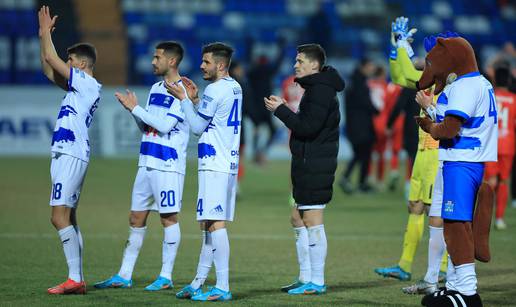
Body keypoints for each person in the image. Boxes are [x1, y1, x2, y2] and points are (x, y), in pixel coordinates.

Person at [93, 42, 189, 291]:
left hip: (167, 165)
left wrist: (137, 108)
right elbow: (148, 127)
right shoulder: (156, 87)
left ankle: (165, 277)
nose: (152, 61)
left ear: (172, 61)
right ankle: (124, 275)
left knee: (168, 218)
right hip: (146, 161)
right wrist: (135, 112)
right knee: (136, 217)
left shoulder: (183, 91)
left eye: (157, 57)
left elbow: (166, 126)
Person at [416, 36, 497, 307]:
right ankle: (454, 286)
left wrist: (428, 126)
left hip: (462, 162)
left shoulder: (464, 86)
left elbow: (450, 129)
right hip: (471, 162)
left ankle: (466, 293)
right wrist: (432, 110)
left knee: (456, 227)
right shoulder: (481, 82)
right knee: (458, 223)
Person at [375, 17, 449, 295]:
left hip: (437, 154)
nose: (426, 60)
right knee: (416, 207)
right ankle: (404, 264)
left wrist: (402, 48)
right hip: (422, 155)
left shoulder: (446, 85)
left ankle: (441, 267)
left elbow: (407, 74)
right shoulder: (432, 82)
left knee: (435, 213)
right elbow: (401, 75)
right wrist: (398, 46)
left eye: (430, 56)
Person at [264, 44, 345, 295]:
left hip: (316, 164)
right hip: (307, 162)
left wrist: (281, 110)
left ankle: (317, 281)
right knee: (298, 217)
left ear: (314, 65)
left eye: (300, 61)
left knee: (312, 219)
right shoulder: (315, 89)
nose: (295, 65)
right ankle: (305, 277)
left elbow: (308, 127)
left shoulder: (321, 90)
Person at [166, 42, 242, 302]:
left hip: (215, 164)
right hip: (226, 161)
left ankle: (222, 286)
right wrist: (197, 99)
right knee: (208, 222)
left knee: (215, 224)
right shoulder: (234, 86)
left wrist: (185, 100)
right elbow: (214, 118)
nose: (201, 66)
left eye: (206, 62)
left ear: (220, 65)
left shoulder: (216, 88)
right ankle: (198, 282)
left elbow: (198, 126)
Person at [38, 6, 101, 294]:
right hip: (67, 152)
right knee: (69, 217)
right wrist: (44, 37)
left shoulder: (87, 83)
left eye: (71, 60)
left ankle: (74, 279)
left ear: (83, 65)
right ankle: (76, 277)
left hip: (72, 152)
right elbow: (49, 69)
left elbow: (52, 59)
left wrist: (44, 33)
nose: (67, 63)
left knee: (58, 216)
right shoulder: (79, 87)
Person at [485, 64, 516, 230]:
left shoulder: (490, 96)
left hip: (491, 143)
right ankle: (499, 219)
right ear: (509, 80)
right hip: (508, 145)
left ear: (495, 79)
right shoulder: (514, 99)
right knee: (503, 181)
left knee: (490, 181)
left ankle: (485, 216)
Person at [339, 58, 377, 193]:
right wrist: (377, 111)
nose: (372, 69)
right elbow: (365, 103)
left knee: (360, 153)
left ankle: (354, 180)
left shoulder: (353, 82)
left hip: (354, 125)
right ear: (363, 66)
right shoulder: (359, 83)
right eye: (370, 66)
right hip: (361, 125)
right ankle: (359, 182)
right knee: (363, 153)